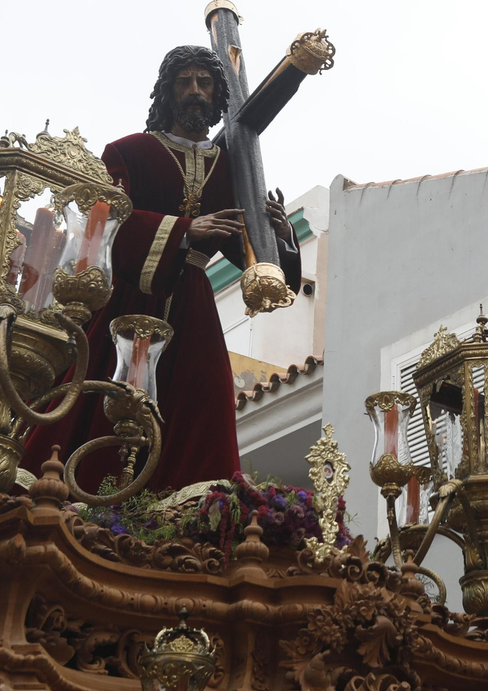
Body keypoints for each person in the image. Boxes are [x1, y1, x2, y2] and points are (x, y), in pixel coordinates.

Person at [22, 46, 301, 493]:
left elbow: (253, 256)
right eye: (184, 82)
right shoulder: (129, 152)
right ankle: (86, 493)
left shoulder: (234, 168)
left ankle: (189, 505)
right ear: (167, 92)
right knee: (100, 400)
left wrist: (279, 236)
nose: (194, 92)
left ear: (217, 97)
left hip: (195, 306)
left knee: (203, 401)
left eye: (204, 83)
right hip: (128, 297)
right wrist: (186, 230)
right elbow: (104, 220)